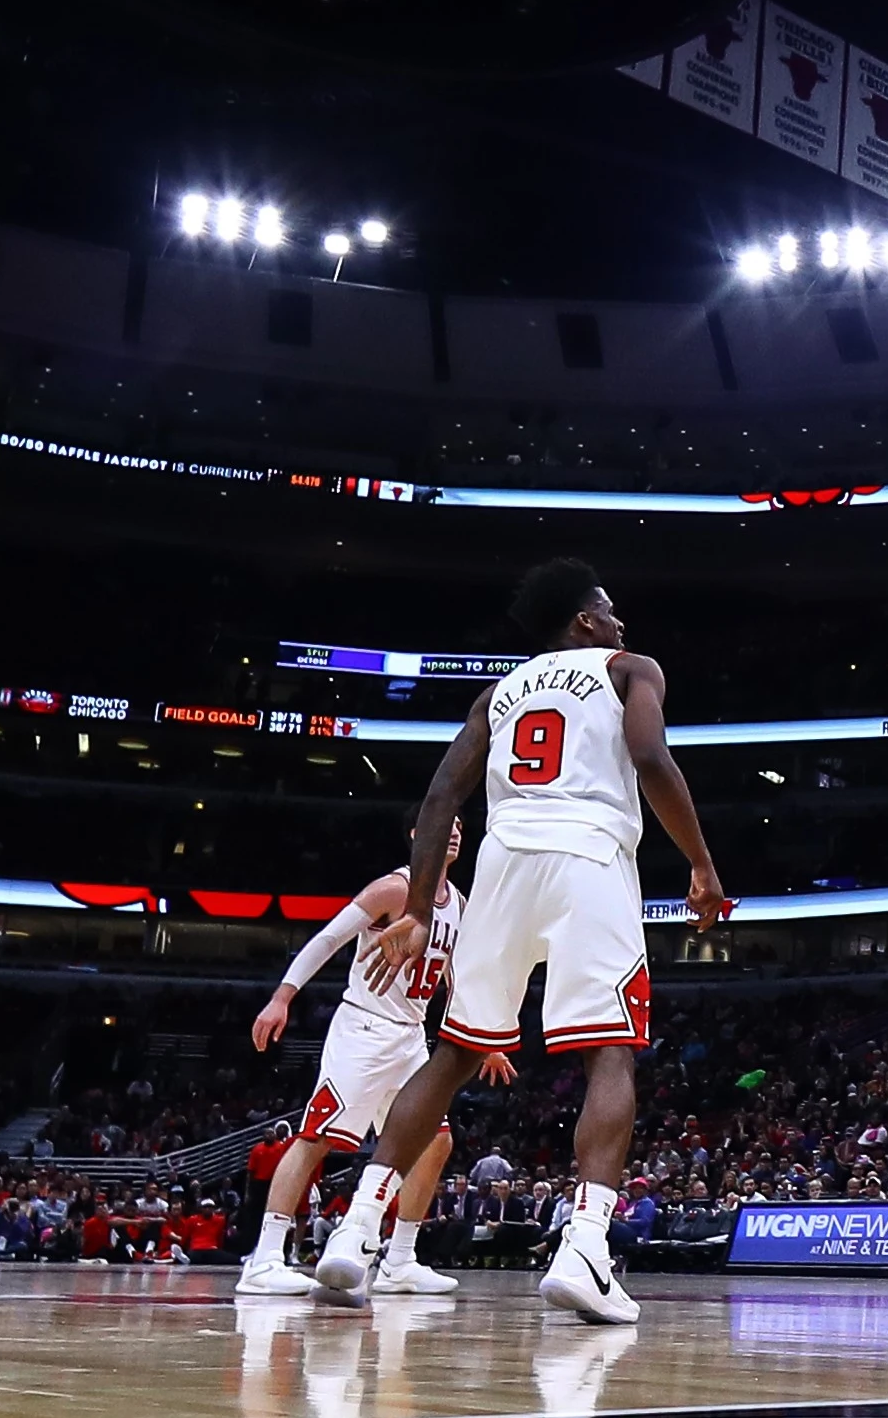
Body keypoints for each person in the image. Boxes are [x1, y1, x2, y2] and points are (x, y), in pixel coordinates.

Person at [313, 560, 729, 1323]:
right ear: (583, 622)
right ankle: (585, 1248)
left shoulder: (497, 694)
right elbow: (648, 757)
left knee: (454, 1051)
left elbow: (441, 795)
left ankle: (353, 1229)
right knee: (610, 1048)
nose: (620, 620)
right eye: (609, 608)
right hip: (589, 855)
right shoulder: (629, 667)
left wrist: (414, 906)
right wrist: (700, 863)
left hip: (502, 862)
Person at [238, 822, 503, 1296]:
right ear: (420, 833)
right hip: (363, 1028)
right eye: (447, 823)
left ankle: (399, 1259)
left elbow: (456, 979)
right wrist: (283, 997)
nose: (457, 832)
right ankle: (264, 1258)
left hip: (409, 1037)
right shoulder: (393, 887)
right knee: (315, 1138)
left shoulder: (459, 906)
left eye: (462, 825)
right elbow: (328, 939)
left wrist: (488, 1036)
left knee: (435, 1143)